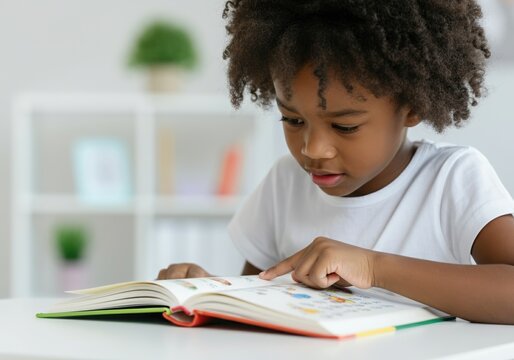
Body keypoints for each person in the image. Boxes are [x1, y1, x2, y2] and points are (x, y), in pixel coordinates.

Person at [158, 0, 514, 324]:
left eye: (345, 126)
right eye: (293, 120)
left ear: (412, 107)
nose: (314, 149)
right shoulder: (285, 185)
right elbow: (256, 302)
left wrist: (373, 267)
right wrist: (206, 295)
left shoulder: (451, 179)